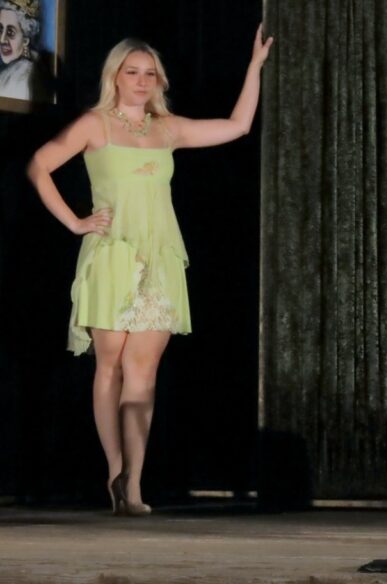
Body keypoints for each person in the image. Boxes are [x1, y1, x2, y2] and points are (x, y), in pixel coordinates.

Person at [27, 26, 273, 516]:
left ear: (159, 81)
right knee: (110, 367)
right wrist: (76, 221)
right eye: (132, 72)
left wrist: (254, 67)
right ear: (115, 77)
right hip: (111, 255)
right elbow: (39, 165)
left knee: (143, 373)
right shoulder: (95, 124)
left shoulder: (167, 128)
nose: (141, 81)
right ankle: (113, 471)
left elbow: (238, 125)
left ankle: (133, 485)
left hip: (159, 259)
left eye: (150, 74)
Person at [0, 0, 44, 100]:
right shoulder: (8, 72)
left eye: (10, 32)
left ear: (25, 41)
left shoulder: (24, 77)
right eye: (0, 30)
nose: (2, 40)